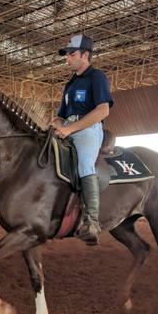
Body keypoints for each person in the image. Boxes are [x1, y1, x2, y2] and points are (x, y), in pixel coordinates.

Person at [51, 34, 114, 245]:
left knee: (85, 165)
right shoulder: (70, 84)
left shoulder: (96, 77)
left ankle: (91, 221)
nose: (67, 58)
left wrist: (71, 129)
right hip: (68, 127)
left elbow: (103, 110)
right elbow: (60, 115)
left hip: (88, 129)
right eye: (66, 55)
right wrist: (58, 124)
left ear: (85, 55)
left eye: (72, 54)